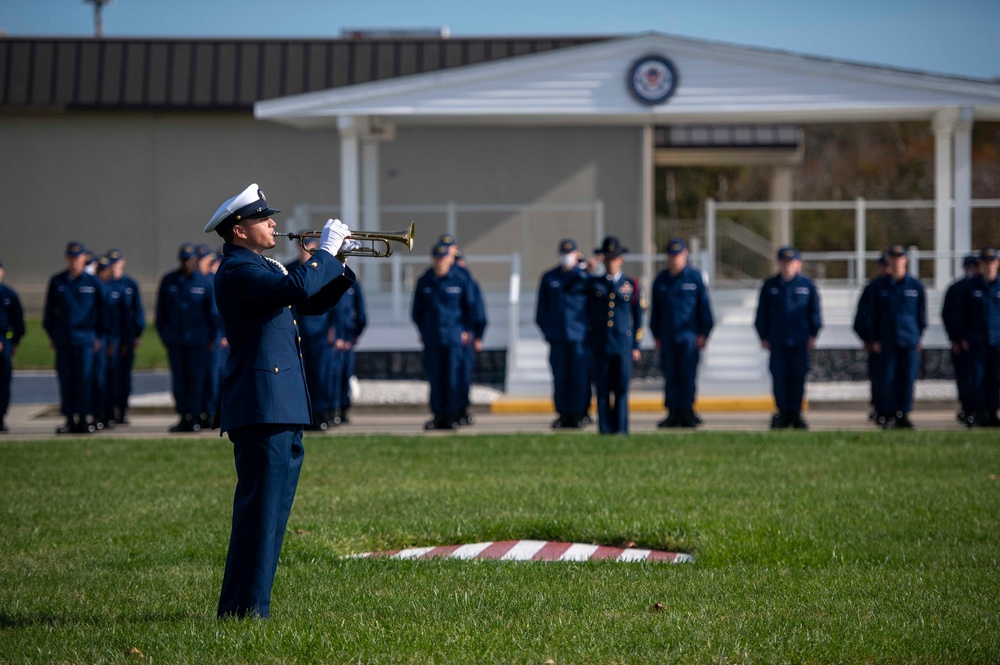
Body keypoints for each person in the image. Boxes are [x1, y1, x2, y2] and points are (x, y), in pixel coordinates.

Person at [206, 183, 358, 619]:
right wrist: (324, 252)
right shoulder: (239, 270)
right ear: (239, 230)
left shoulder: (260, 266)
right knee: (260, 514)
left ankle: (250, 606)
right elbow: (296, 288)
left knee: (272, 516)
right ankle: (245, 611)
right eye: (263, 218)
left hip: (280, 405)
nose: (274, 223)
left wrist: (338, 260)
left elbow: (310, 302)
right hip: (262, 405)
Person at [754, 246, 822, 430]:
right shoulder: (770, 286)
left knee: (797, 378)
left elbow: (814, 313)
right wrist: (763, 336)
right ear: (779, 263)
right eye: (784, 262)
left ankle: (796, 413)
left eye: (791, 262)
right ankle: (782, 413)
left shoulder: (807, 286)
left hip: (799, 341)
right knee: (780, 378)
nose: (788, 266)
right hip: (777, 341)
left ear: (798, 264)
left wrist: (813, 334)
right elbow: (762, 314)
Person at [412, 241, 477, 430]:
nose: (440, 262)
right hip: (433, 338)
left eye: (443, 258)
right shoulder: (425, 280)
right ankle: (438, 415)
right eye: (437, 258)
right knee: (435, 378)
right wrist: (423, 331)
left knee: (452, 379)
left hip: (454, 339)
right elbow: (417, 311)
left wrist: (467, 330)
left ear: (450, 259)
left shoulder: (460, 279)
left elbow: (471, 308)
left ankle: (451, 415)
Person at [649, 238, 714, 428]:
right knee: (670, 375)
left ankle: (687, 411)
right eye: (672, 256)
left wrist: (704, 333)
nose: (675, 259)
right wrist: (656, 335)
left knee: (687, 375)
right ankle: (672, 412)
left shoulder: (694, 278)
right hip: (668, 337)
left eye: (678, 255)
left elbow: (704, 308)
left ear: (685, 255)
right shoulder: (661, 280)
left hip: (689, 337)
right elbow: (656, 312)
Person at [156, 243, 219, 432]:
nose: (187, 263)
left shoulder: (206, 282)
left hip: (199, 341)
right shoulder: (170, 281)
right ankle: (184, 416)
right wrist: (165, 337)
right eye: (184, 260)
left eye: (190, 260)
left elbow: (213, 314)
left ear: (195, 260)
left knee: (197, 380)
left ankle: (196, 415)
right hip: (176, 341)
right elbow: (162, 314)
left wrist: (211, 338)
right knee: (179, 381)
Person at [43, 241, 106, 434]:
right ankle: (70, 419)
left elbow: (103, 312)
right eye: (71, 258)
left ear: (84, 259)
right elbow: (49, 313)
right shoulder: (58, 281)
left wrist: (98, 336)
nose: (74, 262)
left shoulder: (93, 283)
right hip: (64, 340)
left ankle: (85, 418)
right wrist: (52, 335)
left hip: (86, 340)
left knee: (85, 380)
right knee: (66, 380)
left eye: (77, 258)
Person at [585, 236, 644, 435]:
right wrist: (586, 269)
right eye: (607, 259)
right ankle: (605, 430)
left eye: (614, 258)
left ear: (621, 260)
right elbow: (572, 291)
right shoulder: (593, 283)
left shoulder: (631, 284)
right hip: (600, 345)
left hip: (622, 345)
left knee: (621, 391)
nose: (611, 263)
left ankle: (621, 430)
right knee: (602, 392)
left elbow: (638, 317)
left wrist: (636, 345)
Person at [868, 244, 926, 430]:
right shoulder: (878, 287)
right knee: (888, 379)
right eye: (892, 259)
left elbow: (921, 316)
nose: (896, 262)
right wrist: (872, 339)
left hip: (908, 341)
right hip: (886, 342)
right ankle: (889, 414)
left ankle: (904, 414)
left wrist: (917, 337)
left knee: (907, 379)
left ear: (905, 260)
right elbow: (870, 316)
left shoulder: (915, 286)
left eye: (899, 258)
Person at [535, 239, 591, 428]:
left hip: (579, 337)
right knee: (560, 378)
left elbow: (593, 309)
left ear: (577, 254)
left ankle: (579, 413)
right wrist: (548, 332)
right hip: (557, 337)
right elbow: (541, 311)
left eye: (570, 253)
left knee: (580, 378)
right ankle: (563, 414)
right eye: (564, 253)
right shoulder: (549, 277)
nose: (567, 256)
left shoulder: (584, 278)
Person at [285, 235, 337, 430]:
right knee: (300, 375)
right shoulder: (289, 268)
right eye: (303, 245)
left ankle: (321, 413)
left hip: (320, 330)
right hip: (297, 329)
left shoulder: (321, 269)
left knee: (320, 374)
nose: (306, 249)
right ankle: (303, 415)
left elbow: (333, 302)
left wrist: (334, 329)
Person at [957, 247, 1000, 427]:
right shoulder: (970, 287)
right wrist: (961, 337)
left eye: (992, 262)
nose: (989, 266)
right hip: (977, 341)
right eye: (985, 262)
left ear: (997, 263)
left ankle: (992, 413)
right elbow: (961, 315)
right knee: (977, 379)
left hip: (997, 341)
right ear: (980, 265)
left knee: (996, 379)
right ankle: (978, 412)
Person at [107, 248, 145, 425]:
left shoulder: (130, 284)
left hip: (126, 338)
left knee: (124, 376)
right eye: (111, 263)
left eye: (117, 262)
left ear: (123, 263)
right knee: (107, 376)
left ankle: (121, 411)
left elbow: (138, 312)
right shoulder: (103, 284)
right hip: (109, 337)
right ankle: (107, 411)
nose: (114, 266)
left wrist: (137, 334)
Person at [941, 255, 979, 425]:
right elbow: (950, 316)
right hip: (963, 343)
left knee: (984, 378)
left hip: (983, 342)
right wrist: (956, 339)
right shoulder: (956, 289)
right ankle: (968, 408)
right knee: (965, 378)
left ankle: (984, 410)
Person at [853, 253, 890, 422]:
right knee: (879, 379)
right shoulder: (872, 288)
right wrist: (869, 340)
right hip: (877, 344)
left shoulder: (908, 285)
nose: (888, 269)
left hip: (899, 343)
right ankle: (880, 409)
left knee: (899, 379)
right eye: (885, 265)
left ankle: (898, 412)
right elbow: (862, 318)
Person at [95, 254, 127, 428]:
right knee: (96, 379)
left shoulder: (116, 289)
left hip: (111, 339)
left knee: (111, 379)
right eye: (100, 270)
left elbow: (120, 318)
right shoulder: (94, 286)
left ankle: (110, 414)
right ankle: (98, 414)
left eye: (105, 270)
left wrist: (116, 342)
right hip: (97, 338)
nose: (103, 273)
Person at [330, 277, 367, 425]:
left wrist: (355, 335)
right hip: (332, 341)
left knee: (346, 374)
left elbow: (361, 312)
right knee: (331, 376)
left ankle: (344, 409)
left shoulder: (353, 283)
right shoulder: (327, 281)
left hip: (348, 339)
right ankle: (332, 409)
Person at [0, 260, 26, 433]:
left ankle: (0, 416)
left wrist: (13, 341)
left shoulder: (9, 294)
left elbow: (17, 323)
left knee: (2, 382)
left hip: (4, 343)